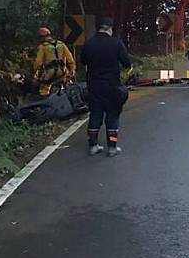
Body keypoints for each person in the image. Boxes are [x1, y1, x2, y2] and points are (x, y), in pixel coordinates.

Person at [80, 17, 132, 157]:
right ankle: (112, 147)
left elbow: (83, 61)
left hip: (94, 86)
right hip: (112, 86)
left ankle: (93, 146)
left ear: (98, 28)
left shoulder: (89, 43)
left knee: (95, 115)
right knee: (113, 116)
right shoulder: (116, 43)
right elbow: (127, 63)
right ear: (110, 28)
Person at [33, 27, 76, 97]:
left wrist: (35, 72)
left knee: (44, 88)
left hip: (49, 73)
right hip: (62, 72)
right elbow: (70, 59)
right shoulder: (61, 44)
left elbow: (38, 63)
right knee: (64, 87)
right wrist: (72, 69)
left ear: (42, 37)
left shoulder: (43, 47)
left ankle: (45, 99)